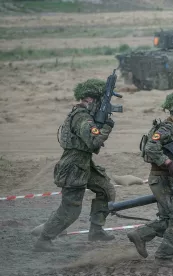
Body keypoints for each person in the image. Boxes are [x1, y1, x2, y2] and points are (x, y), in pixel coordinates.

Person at [34, 79, 117, 252]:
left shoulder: (84, 116)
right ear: (89, 100)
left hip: (84, 163)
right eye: (98, 101)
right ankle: (44, 239)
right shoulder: (82, 118)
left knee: (106, 190)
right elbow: (94, 143)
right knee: (71, 209)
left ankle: (96, 230)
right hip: (73, 166)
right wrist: (106, 128)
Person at [126, 89, 173, 264]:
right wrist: (167, 163)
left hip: (167, 179)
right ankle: (164, 257)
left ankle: (140, 235)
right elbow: (151, 148)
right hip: (162, 179)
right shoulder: (166, 128)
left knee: (170, 218)